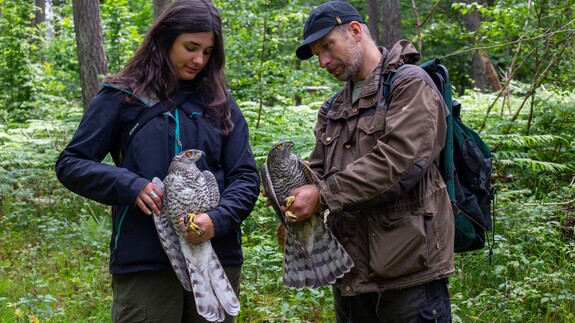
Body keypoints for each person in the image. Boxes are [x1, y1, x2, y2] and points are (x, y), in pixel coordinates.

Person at [55, 0, 260, 321]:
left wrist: (217, 220)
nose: (198, 60)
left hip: (215, 258)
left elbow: (245, 176)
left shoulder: (220, 102)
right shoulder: (122, 96)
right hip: (146, 260)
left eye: (207, 52)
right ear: (165, 38)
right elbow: (72, 163)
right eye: (191, 47)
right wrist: (129, 185)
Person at [285, 1, 455, 322]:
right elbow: (318, 173)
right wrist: (294, 191)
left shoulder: (409, 84)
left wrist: (322, 195)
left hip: (408, 276)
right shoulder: (332, 107)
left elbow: (399, 161)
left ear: (354, 31)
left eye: (327, 47)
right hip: (349, 277)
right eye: (317, 54)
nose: (323, 61)